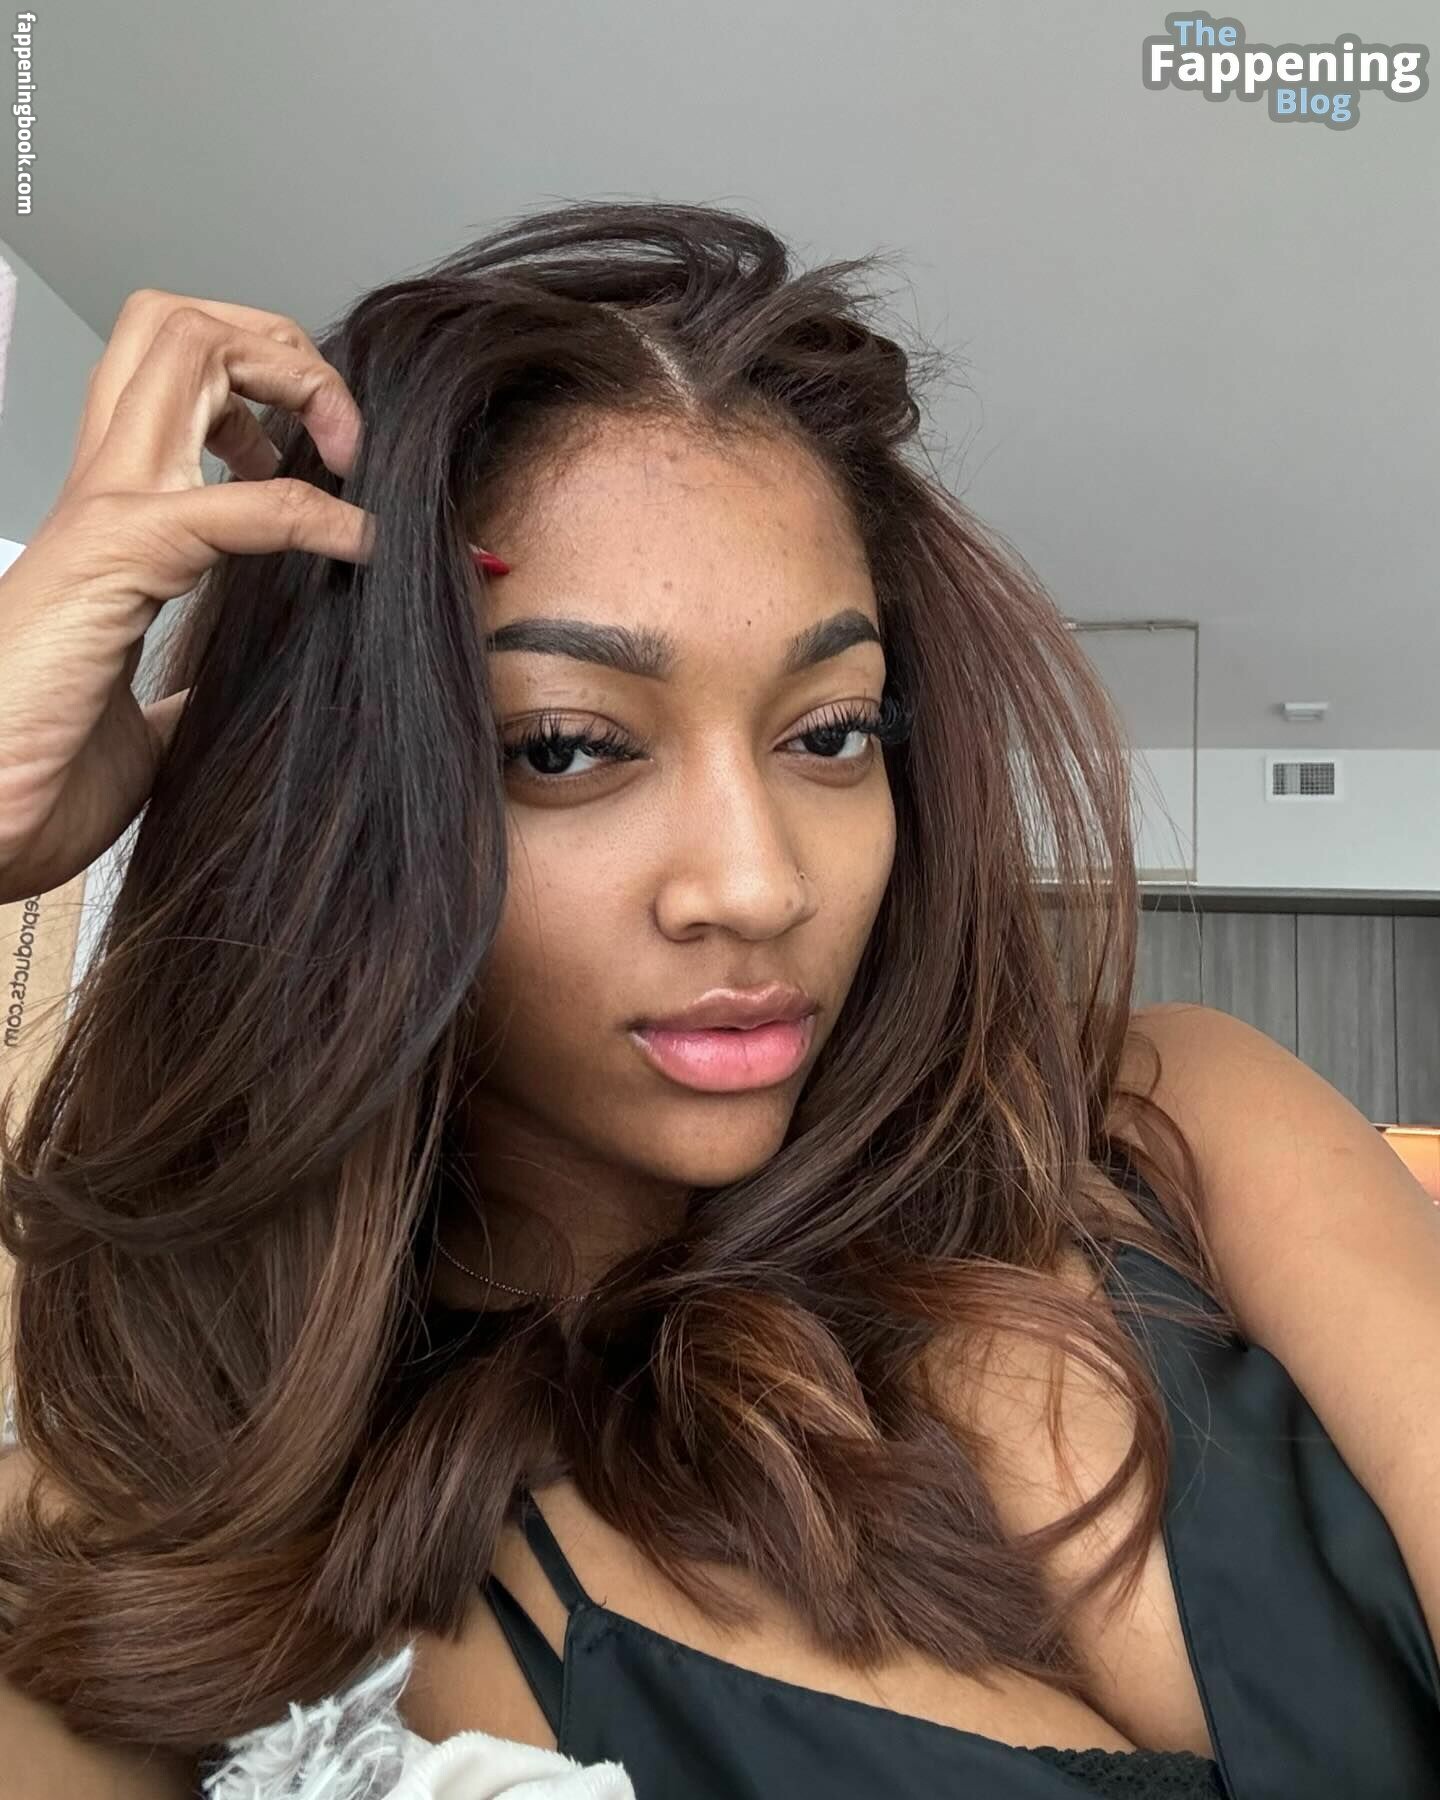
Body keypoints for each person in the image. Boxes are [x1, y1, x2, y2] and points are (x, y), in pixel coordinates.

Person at [0, 199, 1436, 1800]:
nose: (757, 887)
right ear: (343, 811)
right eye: (566, 746)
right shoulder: (187, 1564)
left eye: (829, 734)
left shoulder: (1174, 1130)